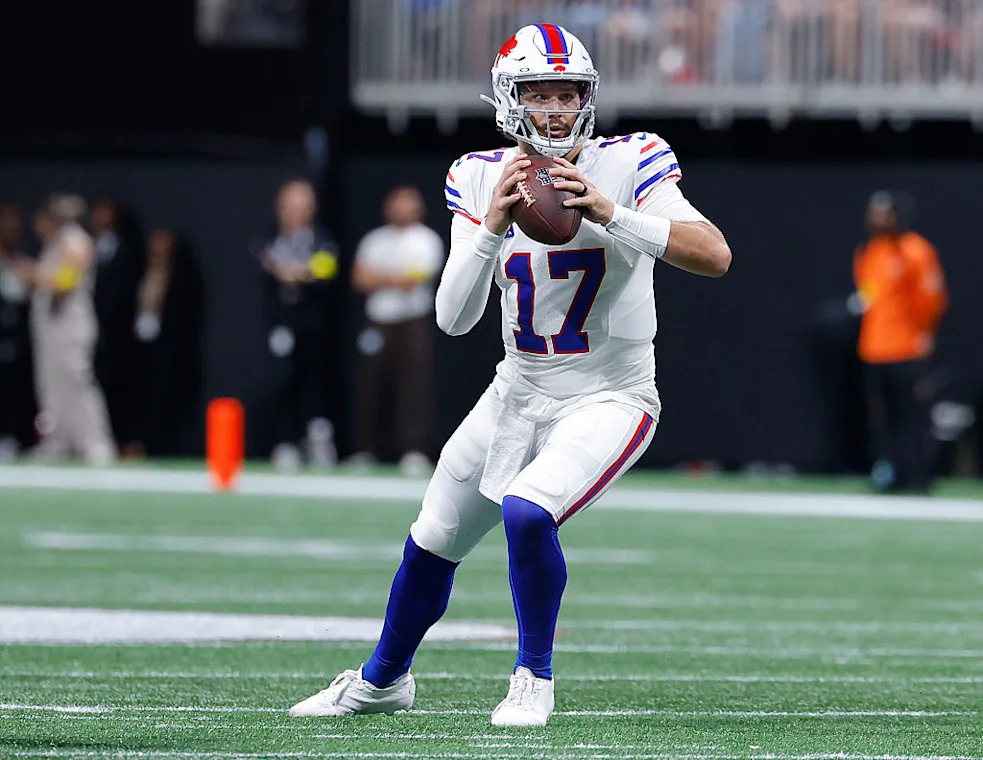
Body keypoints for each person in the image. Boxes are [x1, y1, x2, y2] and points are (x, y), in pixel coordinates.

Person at [288, 23, 731, 726]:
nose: (555, 109)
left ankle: (533, 676)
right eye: (539, 94)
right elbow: (452, 318)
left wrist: (614, 215)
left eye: (568, 94)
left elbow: (713, 255)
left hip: (609, 394)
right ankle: (381, 681)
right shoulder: (475, 173)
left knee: (528, 509)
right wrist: (491, 226)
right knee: (433, 536)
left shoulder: (633, 158)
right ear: (508, 99)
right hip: (516, 391)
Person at [853, 190, 947, 492]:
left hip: (906, 348)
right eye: (874, 213)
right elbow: (869, 296)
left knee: (913, 417)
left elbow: (931, 300)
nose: (878, 219)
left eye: (884, 213)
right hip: (874, 348)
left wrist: (921, 335)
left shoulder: (916, 251)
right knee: (883, 419)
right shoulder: (869, 252)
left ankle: (919, 477)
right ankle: (891, 474)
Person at [350, 186, 444, 476]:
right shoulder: (374, 240)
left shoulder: (426, 240)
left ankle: (412, 450)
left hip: (412, 319)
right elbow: (359, 279)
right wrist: (391, 277)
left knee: (413, 386)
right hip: (378, 320)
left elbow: (413, 280)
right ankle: (368, 449)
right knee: (372, 384)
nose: (402, 209)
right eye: (397, 203)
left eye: (408, 204)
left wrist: (380, 277)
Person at [16, 194, 116, 465]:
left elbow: (65, 282)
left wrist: (33, 274)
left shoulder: (76, 242)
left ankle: (96, 444)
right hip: (50, 326)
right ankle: (58, 442)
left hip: (71, 326)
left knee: (76, 382)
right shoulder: (54, 244)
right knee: (50, 385)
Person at [260, 179, 341, 470]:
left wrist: (301, 273)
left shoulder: (321, 239)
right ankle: (286, 442)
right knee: (282, 382)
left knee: (314, 383)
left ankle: (317, 440)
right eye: (289, 207)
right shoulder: (270, 240)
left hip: (313, 325)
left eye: (301, 207)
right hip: (282, 324)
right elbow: (266, 266)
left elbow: (328, 267)